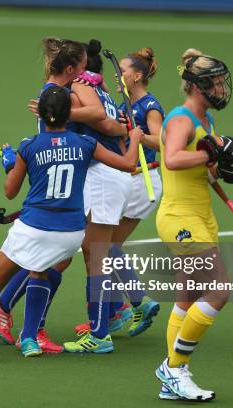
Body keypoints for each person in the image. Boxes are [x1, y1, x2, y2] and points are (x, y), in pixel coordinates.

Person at [0, 85, 143, 361]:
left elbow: (10, 192)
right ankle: (29, 339)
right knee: (39, 272)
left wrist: (9, 163)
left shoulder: (29, 146)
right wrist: (133, 137)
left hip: (34, 227)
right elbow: (128, 164)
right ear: (70, 115)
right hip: (71, 233)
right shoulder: (86, 144)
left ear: (41, 113)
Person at [0, 38, 126, 353]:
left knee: (59, 259)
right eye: (80, 66)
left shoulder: (62, 92)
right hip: (60, 183)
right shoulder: (58, 94)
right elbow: (97, 119)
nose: (85, 71)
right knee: (57, 260)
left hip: (67, 180)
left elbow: (96, 118)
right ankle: (20, 318)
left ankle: (18, 317)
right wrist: (122, 132)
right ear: (70, 68)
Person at [154, 48, 233, 401]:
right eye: (216, 84)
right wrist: (210, 154)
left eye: (222, 82)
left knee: (188, 295)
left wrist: (218, 167)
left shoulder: (206, 122)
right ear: (197, 87)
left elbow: (201, 171)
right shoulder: (181, 120)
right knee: (219, 290)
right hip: (180, 219)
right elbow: (173, 158)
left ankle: (170, 380)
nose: (222, 89)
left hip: (200, 215)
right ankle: (174, 368)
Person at [74, 47, 164, 337]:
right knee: (105, 247)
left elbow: (160, 141)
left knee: (105, 247)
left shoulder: (149, 105)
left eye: (123, 71)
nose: (118, 75)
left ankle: (138, 301)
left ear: (137, 75)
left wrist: (134, 135)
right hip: (130, 177)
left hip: (142, 178)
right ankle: (116, 311)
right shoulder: (124, 105)